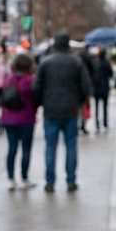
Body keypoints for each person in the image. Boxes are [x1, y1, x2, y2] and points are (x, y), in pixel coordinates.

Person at [34, 32, 92, 192]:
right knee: (71, 146)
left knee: (50, 147)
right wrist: (78, 101)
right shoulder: (76, 62)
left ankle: (50, 181)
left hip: (51, 109)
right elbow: (86, 86)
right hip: (71, 109)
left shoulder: (45, 63)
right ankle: (71, 179)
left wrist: (42, 102)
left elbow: (37, 86)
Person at [1, 52, 38, 190]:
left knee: (12, 148)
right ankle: (24, 178)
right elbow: (36, 99)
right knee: (26, 149)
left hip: (9, 118)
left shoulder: (8, 80)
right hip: (26, 118)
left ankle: (11, 179)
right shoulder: (30, 81)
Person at [84, 45, 114, 132]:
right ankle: (105, 123)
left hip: (96, 88)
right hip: (105, 87)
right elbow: (110, 74)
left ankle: (97, 124)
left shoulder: (94, 62)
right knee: (105, 107)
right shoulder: (106, 63)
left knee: (97, 107)